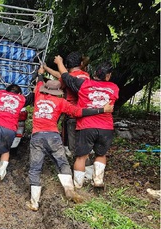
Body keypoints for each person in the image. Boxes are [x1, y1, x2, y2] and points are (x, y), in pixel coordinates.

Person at [26, 65, 114, 211]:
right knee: (62, 163)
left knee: (35, 168)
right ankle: (69, 190)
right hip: (53, 137)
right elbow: (79, 112)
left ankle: (34, 202)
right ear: (58, 92)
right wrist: (101, 110)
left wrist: (41, 73)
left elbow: (39, 81)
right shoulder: (61, 102)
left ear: (44, 90)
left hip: (37, 137)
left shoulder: (38, 95)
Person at [54, 56, 119, 188]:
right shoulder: (114, 88)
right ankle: (98, 181)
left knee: (81, 157)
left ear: (94, 73)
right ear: (107, 76)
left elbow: (65, 76)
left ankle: (78, 185)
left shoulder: (84, 84)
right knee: (101, 154)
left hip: (86, 126)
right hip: (106, 127)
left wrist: (60, 62)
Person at [0, 68, 33, 193]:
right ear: (19, 94)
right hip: (9, 129)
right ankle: (1, 173)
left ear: (7, 91)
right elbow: (32, 97)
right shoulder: (21, 99)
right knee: (5, 150)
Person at [43, 51, 90, 156]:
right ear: (81, 64)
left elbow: (59, 81)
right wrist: (47, 68)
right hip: (85, 113)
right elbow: (61, 74)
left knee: (72, 141)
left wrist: (42, 79)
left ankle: (73, 160)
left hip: (71, 113)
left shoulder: (68, 77)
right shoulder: (86, 75)